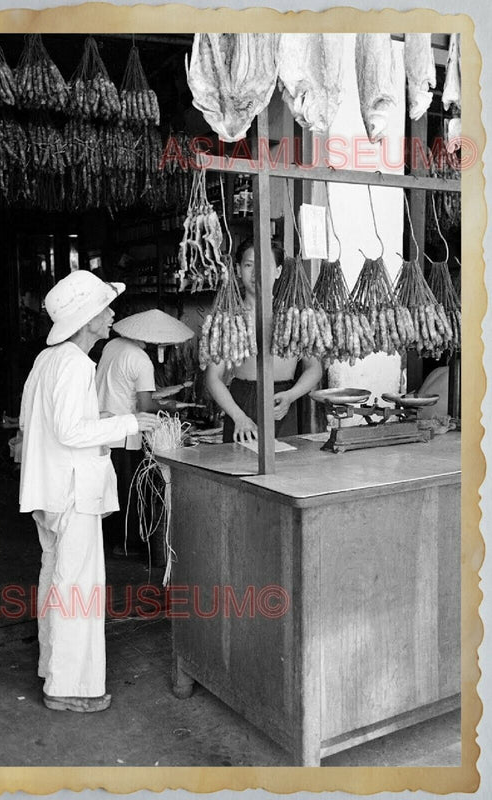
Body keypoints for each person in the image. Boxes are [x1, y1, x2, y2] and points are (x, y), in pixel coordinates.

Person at [19, 270, 158, 713]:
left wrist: (101, 417)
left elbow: (35, 423)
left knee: (56, 581)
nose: (112, 313)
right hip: (73, 491)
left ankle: (53, 669)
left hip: (50, 488)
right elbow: (70, 429)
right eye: (104, 308)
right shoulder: (75, 363)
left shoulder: (48, 361)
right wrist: (130, 423)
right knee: (79, 587)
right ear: (87, 320)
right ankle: (70, 689)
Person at [95, 310, 194, 556]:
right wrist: (169, 406)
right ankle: (126, 545)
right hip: (126, 433)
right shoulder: (141, 360)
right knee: (129, 491)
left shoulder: (112, 345)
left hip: (103, 428)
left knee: (110, 488)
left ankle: (109, 541)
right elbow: (146, 406)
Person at [206, 238, 322, 443]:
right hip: (243, 400)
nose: (256, 273)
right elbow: (213, 377)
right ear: (239, 270)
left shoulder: (293, 317)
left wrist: (291, 395)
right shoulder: (230, 319)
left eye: (264, 266)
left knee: (288, 469)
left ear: (277, 271)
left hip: (284, 401)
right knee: (240, 469)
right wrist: (238, 416)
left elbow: (314, 368)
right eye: (249, 265)